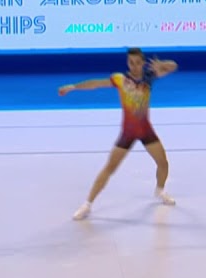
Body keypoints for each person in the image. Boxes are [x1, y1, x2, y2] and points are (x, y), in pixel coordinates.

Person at [59, 48, 177, 220]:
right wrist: (73, 87)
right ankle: (87, 204)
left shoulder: (149, 78)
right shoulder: (120, 79)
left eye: (138, 63)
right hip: (128, 133)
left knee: (163, 163)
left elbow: (174, 66)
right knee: (109, 168)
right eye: (131, 63)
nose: (135, 66)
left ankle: (160, 190)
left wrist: (162, 65)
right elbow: (96, 84)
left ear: (143, 63)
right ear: (127, 63)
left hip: (146, 131)